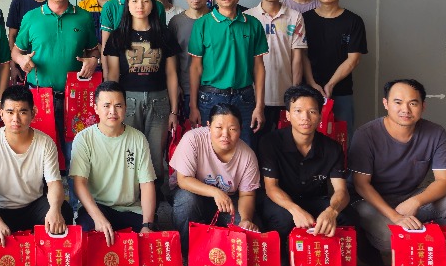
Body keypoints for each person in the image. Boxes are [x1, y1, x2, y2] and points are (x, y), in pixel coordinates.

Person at [352, 79, 446, 255]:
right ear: (386, 103)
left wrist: (415, 201)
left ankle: (427, 244)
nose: (406, 109)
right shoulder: (366, 135)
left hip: (409, 198)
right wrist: (395, 217)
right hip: (369, 201)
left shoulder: (436, 133)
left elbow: (445, 182)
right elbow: (361, 184)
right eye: (398, 102)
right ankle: (367, 241)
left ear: (423, 106)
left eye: (413, 103)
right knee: (390, 238)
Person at [12, 0, 100, 166]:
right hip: (40, 96)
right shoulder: (31, 17)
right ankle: (43, 188)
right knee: (40, 155)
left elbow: (93, 49)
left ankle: (75, 188)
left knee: (76, 154)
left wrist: (93, 60)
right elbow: (16, 51)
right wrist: (21, 59)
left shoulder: (83, 17)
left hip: (75, 97)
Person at [103, 0, 180, 191]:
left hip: (159, 100)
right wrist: (111, 108)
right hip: (127, 101)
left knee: (155, 154)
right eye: (135, 1)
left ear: (152, 5)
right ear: (127, 5)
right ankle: (130, 195)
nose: (140, 6)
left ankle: (154, 199)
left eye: (145, 1)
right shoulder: (118, 36)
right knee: (129, 151)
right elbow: (113, 76)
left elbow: (172, 75)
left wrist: (174, 111)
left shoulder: (164, 35)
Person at [0, 86, 72, 244]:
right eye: (10, 112)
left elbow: (54, 183)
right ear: (1, 114)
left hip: (33, 206)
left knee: (63, 211)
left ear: (33, 113)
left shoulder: (45, 142)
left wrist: (54, 210)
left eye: (23, 112)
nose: (16, 119)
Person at [259, 85, 354, 247]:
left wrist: (332, 211)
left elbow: (341, 191)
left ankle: (331, 257)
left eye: (312, 111)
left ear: (320, 116)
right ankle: (284, 259)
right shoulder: (270, 142)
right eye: (298, 111)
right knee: (283, 219)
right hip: (282, 200)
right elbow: (271, 187)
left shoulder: (332, 148)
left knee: (346, 216)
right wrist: (295, 210)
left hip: (314, 199)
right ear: (288, 115)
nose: (305, 118)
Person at [187, 0, 269, 147]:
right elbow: (195, 67)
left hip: (245, 97)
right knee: (211, 149)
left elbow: (259, 67)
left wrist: (259, 106)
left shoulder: (253, 24)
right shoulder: (202, 24)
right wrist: (193, 106)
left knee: (245, 147)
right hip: (210, 97)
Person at [71, 81, 156, 245]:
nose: (112, 111)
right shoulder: (83, 139)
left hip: (130, 208)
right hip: (97, 207)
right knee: (89, 238)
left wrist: (147, 225)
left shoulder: (138, 139)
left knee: (149, 242)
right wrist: (99, 219)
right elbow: (79, 184)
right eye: (106, 106)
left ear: (125, 108)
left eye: (118, 106)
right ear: (96, 108)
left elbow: (147, 184)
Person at [170, 103, 260, 249]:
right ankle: (186, 252)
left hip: (227, 201)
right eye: (219, 127)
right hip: (194, 194)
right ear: (209, 126)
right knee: (186, 200)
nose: (225, 135)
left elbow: (247, 195)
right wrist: (215, 192)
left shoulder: (248, 156)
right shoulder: (192, 139)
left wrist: (245, 219)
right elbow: (183, 180)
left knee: (247, 229)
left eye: (232, 129)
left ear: (240, 129)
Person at [244, 0, 307, 142]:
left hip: (284, 94)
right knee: (254, 144)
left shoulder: (294, 17)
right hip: (253, 96)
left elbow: (297, 57)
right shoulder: (247, 17)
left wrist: (295, 92)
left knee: (284, 145)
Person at [302, 0, 367, 138]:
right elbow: (302, 55)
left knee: (342, 137)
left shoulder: (353, 21)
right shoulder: (304, 19)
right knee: (308, 136)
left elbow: (353, 60)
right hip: (309, 89)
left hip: (342, 90)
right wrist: (312, 82)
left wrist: (330, 84)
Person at [99, 0, 166, 76]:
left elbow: (163, 41)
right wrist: (106, 74)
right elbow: (105, 45)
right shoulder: (111, 6)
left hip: (151, 70)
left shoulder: (157, 6)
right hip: (119, 70)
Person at [168, 0, 210, 115]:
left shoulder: (217, 20)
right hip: (185, 90)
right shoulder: (176, 22)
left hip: (213, 89)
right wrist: (176, 86)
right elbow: (172, 58)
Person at [7, 0, 48, 82]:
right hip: (23, 63)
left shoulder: (53, 3)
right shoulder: (18, 2)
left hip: (46, 63)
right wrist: (13, 65)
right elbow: (12, 36)